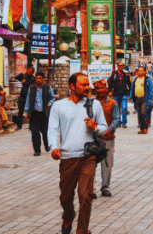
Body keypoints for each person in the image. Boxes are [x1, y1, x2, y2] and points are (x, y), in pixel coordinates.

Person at [47, 72, 107, 234]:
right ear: (72, 86)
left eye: (88, 85)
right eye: (83, 85)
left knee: (85, 196)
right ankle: (68, 215)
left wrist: (95, 126)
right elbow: (52, 129)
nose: (87, 88)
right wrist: (54, 147)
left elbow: (104, 128)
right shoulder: (58, 106)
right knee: (65, 198)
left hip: (88, 157)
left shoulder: (93, 105)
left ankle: (82, 231)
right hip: (67, 159)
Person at [92, 80, 120, 197]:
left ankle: (105, 187)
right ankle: (91, 188)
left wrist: (109, 129)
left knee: (107, 164)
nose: (100, 90)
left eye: (102, 88)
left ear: (106, 89)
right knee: (91, 164)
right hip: (93, 137)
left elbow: (116, 119)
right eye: (97, 88)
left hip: (107, 137)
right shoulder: (91, 103)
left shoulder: (113, 103)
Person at [28, 72, 56, 156]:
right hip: (34, 113)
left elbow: (52, 97)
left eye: (40, 78)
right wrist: (26, 111)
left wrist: (49, 104)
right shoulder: (32, 88)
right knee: (34, 132)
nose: (38, 80)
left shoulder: (47, 87)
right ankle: (37, 150)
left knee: (45, 131)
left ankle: (47, 145)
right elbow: (28, 100)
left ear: (43, 79)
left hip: (44, 113)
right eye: (36, 78)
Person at [107, 61, 132, 128]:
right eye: (120, 65)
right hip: (116, 94)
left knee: (124, 108)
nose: (121, 67)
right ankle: (118, 122)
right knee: (116, 108)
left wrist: (130, 94)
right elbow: (110, 83)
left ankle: (124, 122)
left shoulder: (125, 75)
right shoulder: (114, 75)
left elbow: (129, 84)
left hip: (124, 94)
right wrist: (109, 91)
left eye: (122, 65)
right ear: (117, 66)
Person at [132, 66, 153, 134]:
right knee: (139, 114)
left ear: (144, 72)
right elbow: (132, 88)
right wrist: (131, 97)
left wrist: (150, 97)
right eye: (138, 70)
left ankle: (145, 127)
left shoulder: (148, 79)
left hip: (145, 98)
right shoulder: (135, 79)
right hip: (137, 98)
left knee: (144, 113)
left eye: (141, 70)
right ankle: (141, 128)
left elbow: (151, 89)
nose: (139, 72)